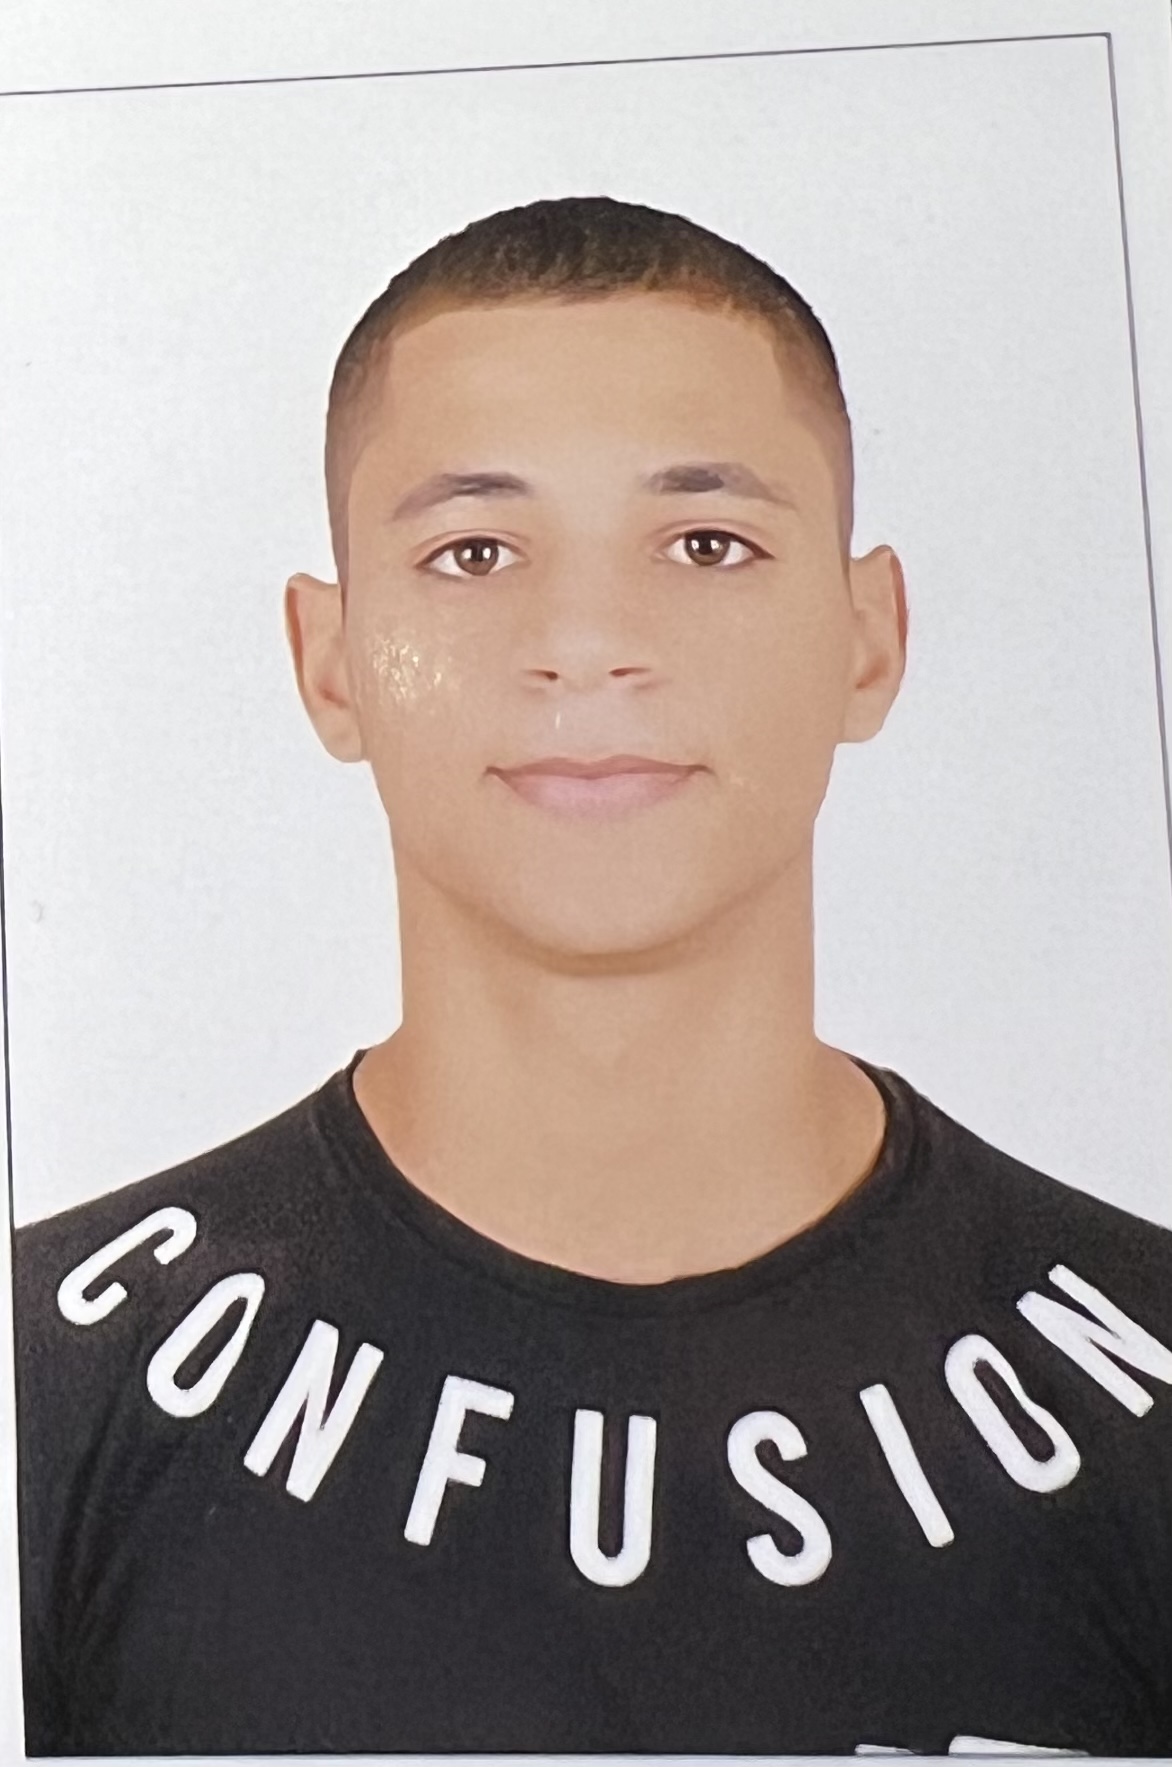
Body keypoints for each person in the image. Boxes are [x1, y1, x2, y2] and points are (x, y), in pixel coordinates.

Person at [11, 195, 1172, 1758]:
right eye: (474, 551)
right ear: (328, 662)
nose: (587, 641)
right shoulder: (50, 1391)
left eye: (706, 544)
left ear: (869, 636)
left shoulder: (1143, 1385)